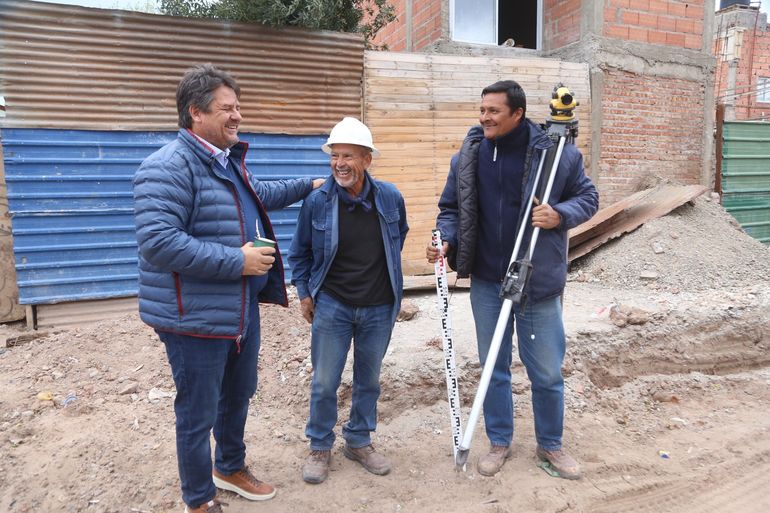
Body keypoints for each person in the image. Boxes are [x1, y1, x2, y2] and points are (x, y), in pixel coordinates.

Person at [133, 63, 324, 513]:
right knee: (198, 412)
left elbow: (262, 194)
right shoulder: (167, 166)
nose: (238, 116)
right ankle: (199, 498)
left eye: (238, 107)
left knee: (238, 394)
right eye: (227, 109)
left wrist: (310, 185)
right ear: (196, 113)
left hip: (238, 308)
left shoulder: (227, 161)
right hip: (193, 317)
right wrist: (237, 261)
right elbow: (158, 243)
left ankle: (229, 467)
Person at [426, 80, 598, 480]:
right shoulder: (467, 157)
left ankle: (550, 445)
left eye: (493, 111)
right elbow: (449, 209)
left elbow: (588, 199)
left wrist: (559, 215)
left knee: (547, 372)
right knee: (493, 367)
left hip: (536, 281)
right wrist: (445, 239)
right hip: (487, 280)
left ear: (517, 114)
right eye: (482, 110)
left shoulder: (556, 155)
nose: (484, 117)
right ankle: (499, 440)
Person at [288, 117, 409, 484]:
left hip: (378, 306)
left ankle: (358, 440)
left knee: (368, 380)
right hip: (334, 306)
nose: (339, 163)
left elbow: (397, 238)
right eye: (335, 156)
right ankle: (320, 446)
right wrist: (306, 293)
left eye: (348, 156)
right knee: (325, 381)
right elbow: (300, 253)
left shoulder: (390, 197)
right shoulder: (317, 201)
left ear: (367, 160)